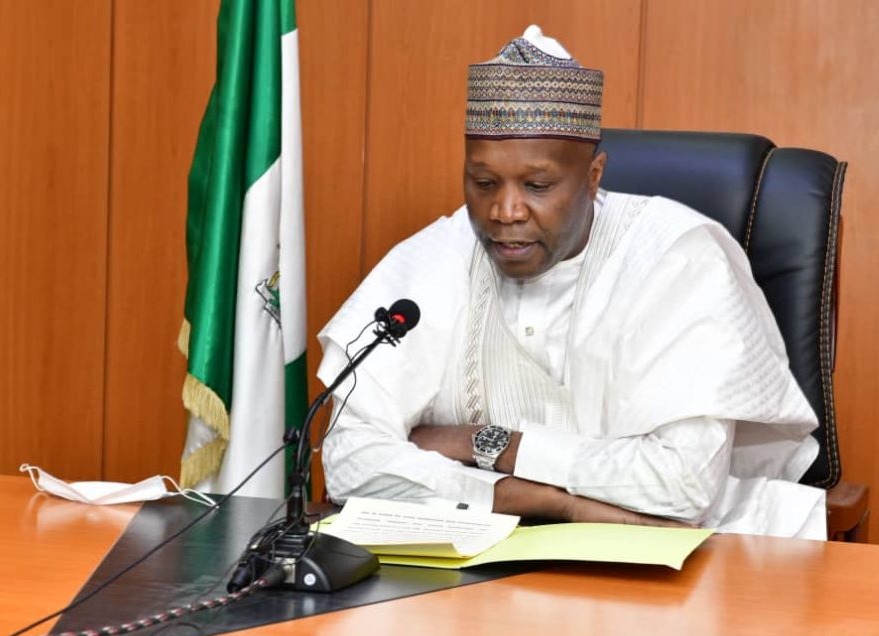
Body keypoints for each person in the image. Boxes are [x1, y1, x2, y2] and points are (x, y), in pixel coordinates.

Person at [316, 25, 827, 539]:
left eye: (537, 186)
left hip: (685, 555)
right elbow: (348, 461)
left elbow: (682, 485)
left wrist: (484, 443)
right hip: (480, 553)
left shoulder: (675, 257)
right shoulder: (437, 256)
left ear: (594, 175)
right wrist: (552, 503)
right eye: (483, 183)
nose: (505, 211)